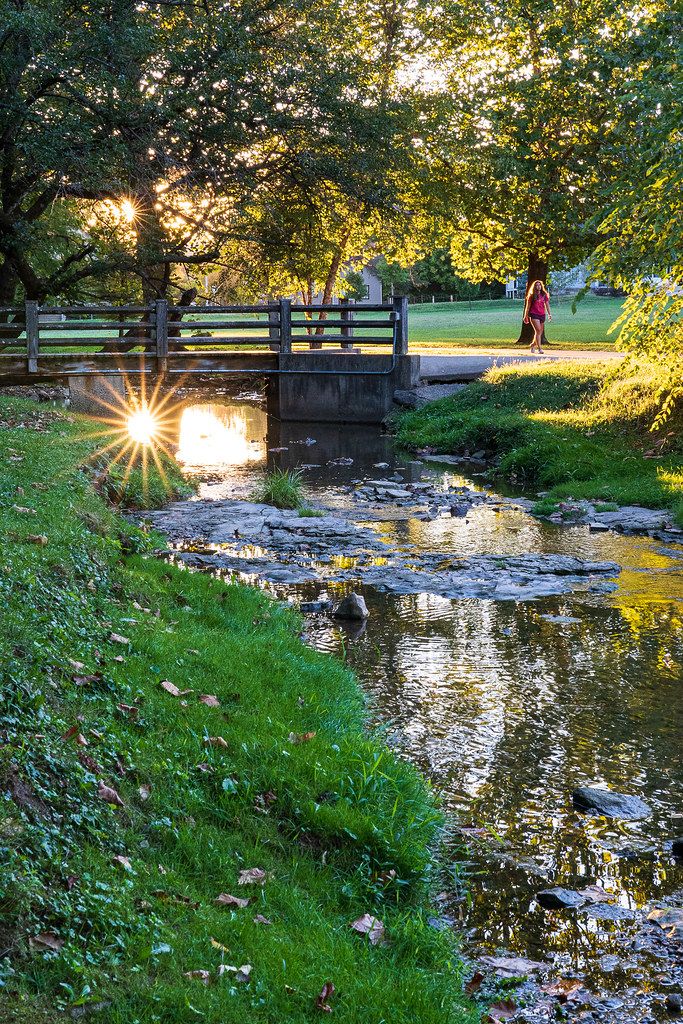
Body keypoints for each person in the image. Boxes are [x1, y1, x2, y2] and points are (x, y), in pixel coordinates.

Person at [523, 279, 551, 354]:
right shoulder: (532, 296)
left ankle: (532, 345)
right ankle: (540, 349)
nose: (538, 287)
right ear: (534, 287)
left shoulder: (544, 295)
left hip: (542, 314)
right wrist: (525, 316)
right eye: (537, 285)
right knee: (538, 330)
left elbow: (547, 305)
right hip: (534, 314)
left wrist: (549, 315)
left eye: (539, 285)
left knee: (540, 332)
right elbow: (527, 307)